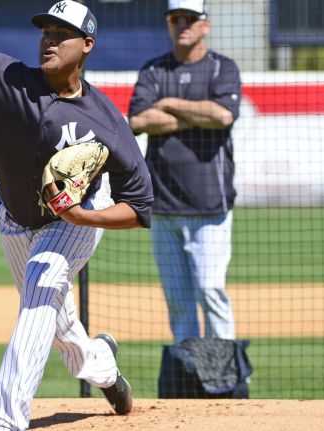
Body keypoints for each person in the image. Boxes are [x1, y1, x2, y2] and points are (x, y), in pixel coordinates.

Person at [0, 1, 154, 429]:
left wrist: (83, 218)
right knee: (59, 325)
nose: (49, 40)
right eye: (46, 32)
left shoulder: (108, 122)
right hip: (12, 216)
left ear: (87, 45)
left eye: (62, 34)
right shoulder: (3, 78)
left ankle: (7, 421)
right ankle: (102, 367)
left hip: (73, 223)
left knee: (39, 291)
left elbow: (139, 207)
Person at [128, 0, 241, 344]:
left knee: (210, 291)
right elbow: (137, 121)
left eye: (190, 19)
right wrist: (197, 114)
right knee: (178, 302)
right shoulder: (153, 70)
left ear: (205, 24)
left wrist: (170, 104)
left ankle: (224, 374)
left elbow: (223, 116)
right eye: (176, 18)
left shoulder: (223, 68)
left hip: (210, 204)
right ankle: (188, 372)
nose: (183, 25)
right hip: (162, 204)